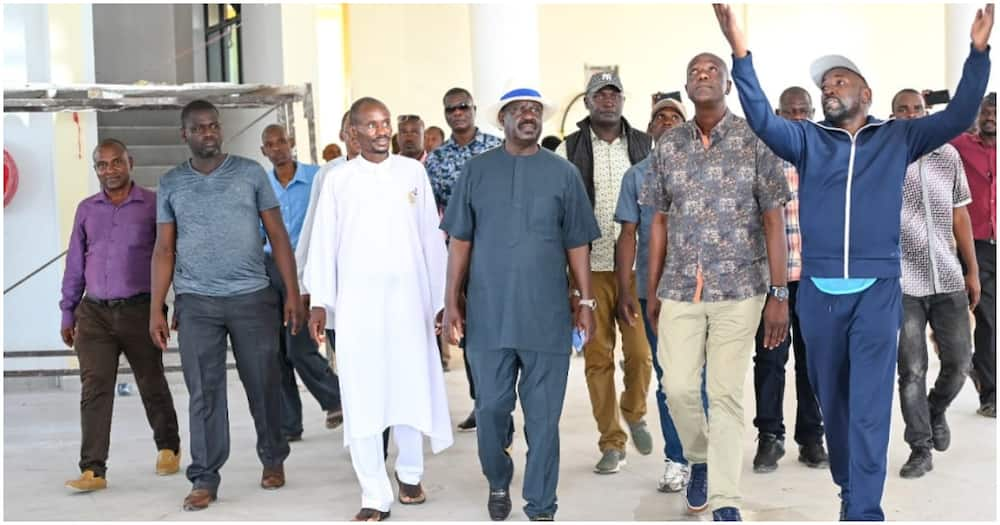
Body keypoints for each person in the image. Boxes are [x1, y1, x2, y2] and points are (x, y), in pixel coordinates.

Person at [715, 3, 993, 519]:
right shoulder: (806, 140)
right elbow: (758, 116)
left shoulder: (898, 137)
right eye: (825, 85)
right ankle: (849, 484)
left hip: (878, 289)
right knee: (832, 402)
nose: (829, 89)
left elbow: (958, 116)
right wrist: (741, 53)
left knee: (868, 405)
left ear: (865, 93)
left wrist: (978, 53)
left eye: (839, 81)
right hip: (819, 292)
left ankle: (863, 508)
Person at [641, 52, 790, 522]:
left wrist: (779, 294)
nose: (702, 77)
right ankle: (699, 457)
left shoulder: (755, 139)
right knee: (678, 388)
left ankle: (726, 499)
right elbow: (658, 221)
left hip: (741, 287)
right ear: (686, 89)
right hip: (680, 287)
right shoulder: (668, 146)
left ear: (727, 85)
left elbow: (774, 219)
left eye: (711, 72)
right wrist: (652, 289)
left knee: (726, 396)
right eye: (693, 73)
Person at [441, 86, 601, 522]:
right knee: (491, 408)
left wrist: (585, 301)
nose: (528, 116)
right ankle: (498, 478)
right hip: (489, 317)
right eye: (518, 110)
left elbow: (577, 243)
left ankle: (541, 505)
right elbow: (459, 241)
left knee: (544, 421)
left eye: (534, 110)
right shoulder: (476, 172)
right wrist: (451, 300)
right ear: (502, 120)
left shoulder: (563, 174)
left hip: (546, 317)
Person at [150, 99, 303, 511]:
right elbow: (164, 249)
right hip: (197, 302)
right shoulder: (171, 183)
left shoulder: (250, 173)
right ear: (185, 134)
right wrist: (156, 309)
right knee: (204, 391)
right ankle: (205, 476)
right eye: (199, 128)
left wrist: (291, 291)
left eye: (214, 126)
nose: (209, 133)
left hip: (252, 296)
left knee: (263, 382)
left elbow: (278, 236)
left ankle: (273, 458)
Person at [304, 97, 452, 521]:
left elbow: (430, 238)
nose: (381, 131)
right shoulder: (338, 180)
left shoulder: (412, 172)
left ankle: (410, 474)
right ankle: (373, 493)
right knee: (364, 395)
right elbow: (324, 244)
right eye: (370, 125)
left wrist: (441, 301)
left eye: (385, 123)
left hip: (409, 303)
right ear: (353, 133)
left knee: (409, 387)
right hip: (357, 309)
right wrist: (320, 303)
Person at [60, 139, 181, 492]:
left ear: (131, 162)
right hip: (94, 313)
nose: (110, 170)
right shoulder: (86, 209)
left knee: (151, 381)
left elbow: (170, 253)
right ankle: (93, 470)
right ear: (95, 169)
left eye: (116, 163)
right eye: (102, 165)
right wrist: (68, 311)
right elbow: (75, 264)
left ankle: (168, 446)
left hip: (140, 309)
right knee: (94, 388)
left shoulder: (153, 205)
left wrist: (171, 305)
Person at [556, 70, 654, 474]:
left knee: (640, 354)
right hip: (589, 269)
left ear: (623, 101)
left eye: (614, 93)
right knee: (597, 358)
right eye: (600, 95)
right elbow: (560, 209)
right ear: (588, 103)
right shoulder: (569, 149)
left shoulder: (646, 145)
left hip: (636, 267)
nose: (608, 100)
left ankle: (634, 411)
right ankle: (611, 441)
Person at [890, 88, 980, 479]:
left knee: (960, 363)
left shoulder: (948, 155)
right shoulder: (885, 158)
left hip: (946, 275)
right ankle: (919, 447)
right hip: (902, 282)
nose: (911, 115)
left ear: (927, 113)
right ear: (892, 115)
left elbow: (960, 216)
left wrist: (971, 270)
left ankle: (936, 408)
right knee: (911, 369)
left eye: (917, 109)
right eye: (902, 110)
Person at [614, 94, 701, 492]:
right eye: (659, 117)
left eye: (675, 116)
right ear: (649, 130)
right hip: (655, 296)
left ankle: (702, 461)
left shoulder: (706, 169)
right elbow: (628, 235)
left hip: (703, 293)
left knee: (702, 380)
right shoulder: (636, 176)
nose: (666, 121)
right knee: (670, 379)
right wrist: (625, 289)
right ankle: (677, 459)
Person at [750, 87, 829, 474]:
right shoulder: (765, 156)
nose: (798, 116)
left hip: (816, 280)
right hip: (773, 280)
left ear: (812, 113)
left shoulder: (824, 156)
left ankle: (812, 439)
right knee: (769, 361)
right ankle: (769, 437)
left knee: (812, 363)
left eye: (804, 110)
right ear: (779, 114)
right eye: (790, 111)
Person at [259, 124, 344, 440]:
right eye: (270, 144)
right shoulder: (262, 184)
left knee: (299, 344)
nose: (277, 148)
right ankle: (289, 424)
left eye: (282, 141)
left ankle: (336, 397)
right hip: (270, 269)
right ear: (263, 151)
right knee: (276, 350)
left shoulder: (317, 177)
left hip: (306, 267)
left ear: (291, 143)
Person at [425, 86, 503, 432]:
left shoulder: (495, 148)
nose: (458, 113)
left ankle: (505, 398)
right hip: (460, 254)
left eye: (463, 107)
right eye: (451, 109)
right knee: (472, 333)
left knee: (505, 326)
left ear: (473, 109)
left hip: (500, 251)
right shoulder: (437, 159)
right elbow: (430, 211)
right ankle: (481, 401)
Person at [951, 92, 997, 419]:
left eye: (995, 113)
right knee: (988, 317)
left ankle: (979, 368)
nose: (990, 117)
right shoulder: (960, 145)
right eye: (985, 112)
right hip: (978, 244)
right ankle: (991, 394)